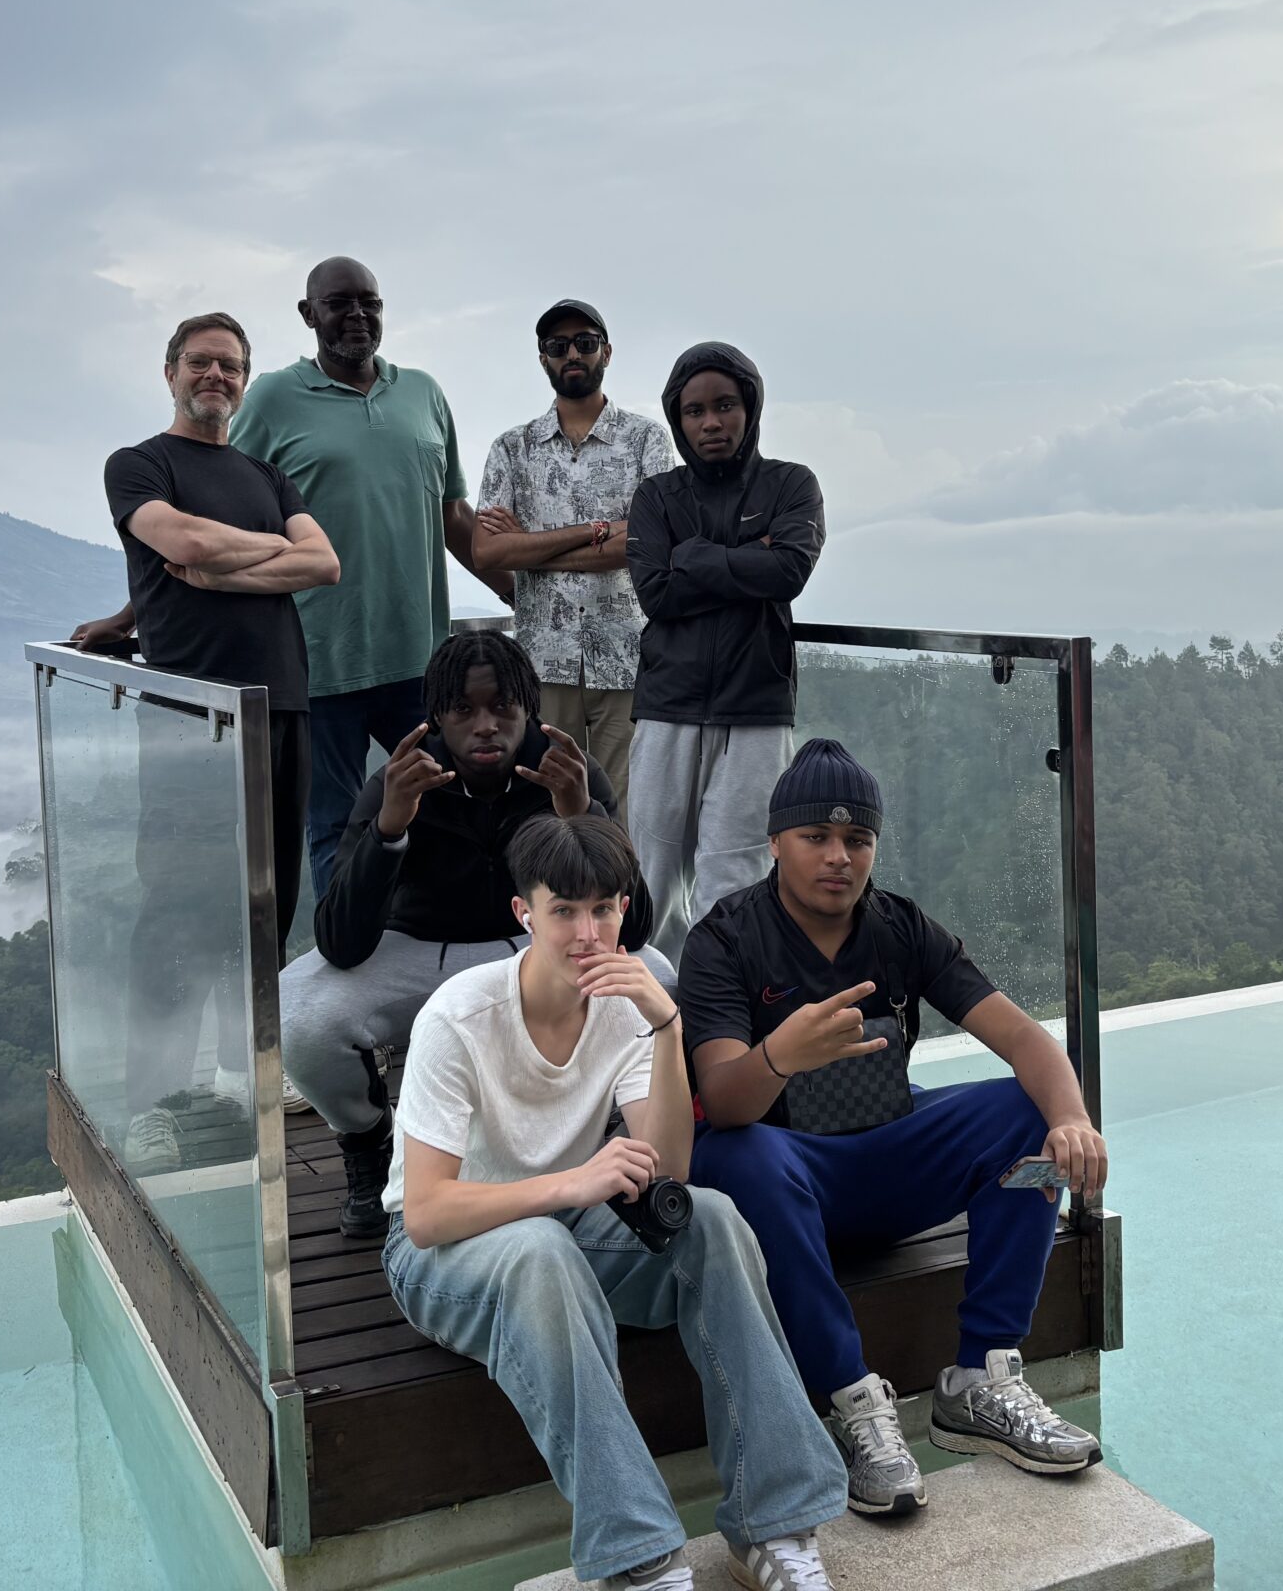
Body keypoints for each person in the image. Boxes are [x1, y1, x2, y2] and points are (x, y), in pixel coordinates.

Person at [385, 812, 848, 1591]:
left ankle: (773, 1525)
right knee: (539, 1250)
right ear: (524, 913)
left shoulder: (631, 1002)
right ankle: (639, 1559)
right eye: (563, 910)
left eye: (603, 909)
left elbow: (670, 1172)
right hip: (442, 1253)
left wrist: (667, 1027)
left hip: (564, 1233)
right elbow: (427, 1213)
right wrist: (572, 1184)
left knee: (713, 1220)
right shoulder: (459, 1017)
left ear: (625, 909)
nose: (586, 933)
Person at [678, 739, 1109, 1520]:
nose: (837, 857)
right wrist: (780, 1055)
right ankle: (852, 1403)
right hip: (783, 1184)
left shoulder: (900, 927)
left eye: (857, 839)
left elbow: (1024, 1039)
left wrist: (1073, 1119)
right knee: (737, 1156)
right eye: (815, 836)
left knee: (1028, 1116)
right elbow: (723, 1097)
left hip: (885, 1162)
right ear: (775, 842)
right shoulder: (726, 938)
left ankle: (982, 1377)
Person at [289, 628, 658, 1239]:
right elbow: (340, 942)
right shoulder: (403, 777)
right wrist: (388, 829)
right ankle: (368, 1136)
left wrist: (584, 814)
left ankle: (607, 1132)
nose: (485, 726)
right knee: (300, 1015)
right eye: (463, 710)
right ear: (436, 716)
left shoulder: (566, 769)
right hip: (418, 950)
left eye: (503, 707)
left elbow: (633, 929)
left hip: (535, 947)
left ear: (529, 709)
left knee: (659, 980)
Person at [84, 314, 339, 1173]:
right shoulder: (140, 465)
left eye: (230, 365)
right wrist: (266, 553)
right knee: (176, 908)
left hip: (280, 705)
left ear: (245, 378)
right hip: (185, 713)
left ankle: (245, 1072)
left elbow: (324, 564)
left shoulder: (265, 474)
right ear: (170, 372)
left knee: (269, 901)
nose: (216, 377)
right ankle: (153, 1103)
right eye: (200, 362)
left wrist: (225, 570)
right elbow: (183, 541)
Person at [219, 255, 502, 899]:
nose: (357, 315)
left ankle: (438, 936)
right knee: (335, 826)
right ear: (308, 313)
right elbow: (222, 513)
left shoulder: (423, 393)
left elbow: (452, 516)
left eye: (369, 303)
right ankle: (342, 949)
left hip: (421, 661)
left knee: (451, 807)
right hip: (319, 664)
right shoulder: (272, 399)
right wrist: (139, 611)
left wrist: (517, 593)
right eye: (339, 302)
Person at [623, 343, 824, 961]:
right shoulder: (656, 495)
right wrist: (747, 558)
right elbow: (656, 593)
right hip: (666, 707)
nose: (711, 422)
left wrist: (694, 557)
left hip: (756, 709)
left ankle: (721, 1002)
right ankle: (651, 1003)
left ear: (750, 407)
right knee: (650, 877)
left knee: (735, 875)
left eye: (725, 405)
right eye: (695, 411)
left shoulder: (791, 484)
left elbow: (788, 571)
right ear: (678, 419)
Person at [473, 298, 675, 813]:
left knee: (624, 812)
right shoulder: (512, 448)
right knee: (544, 808)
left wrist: (530, 547)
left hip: (628, 657)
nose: (572, 354)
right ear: (543, 357)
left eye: (585, 343)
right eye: (558, 345)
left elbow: (653, 543)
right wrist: (596, 531)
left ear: (606, 352)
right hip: (543, 661)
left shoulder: (647, 440)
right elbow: (487, 549)